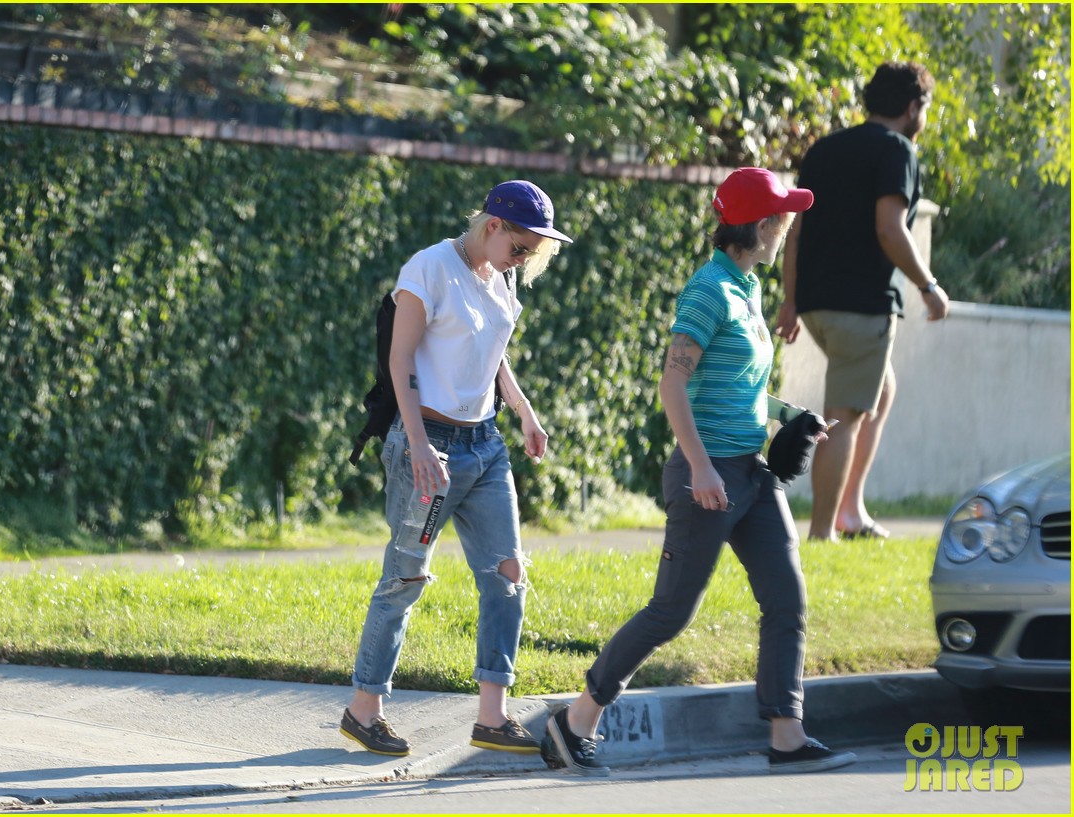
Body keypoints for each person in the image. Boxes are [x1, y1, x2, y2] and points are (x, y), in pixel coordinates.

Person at [540, 167, 856, 777]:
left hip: (752, 473)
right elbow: (673, 384)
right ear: (763, 226)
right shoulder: (708, 291)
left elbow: (737, 388)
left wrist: (792, 416)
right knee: (672, 610)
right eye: (783, 221)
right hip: (706, 474)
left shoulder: (747, 286)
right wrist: (701, 469)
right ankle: (575, 720)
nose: (787, 231)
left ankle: (786, 735)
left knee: (786, 598)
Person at [342, 180, 572, 757]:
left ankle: (491, 717)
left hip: (486, 445)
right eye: (522, 247)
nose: (525, 261)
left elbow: (495, 353)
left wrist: (524, 412)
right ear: (492, 225)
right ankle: (363, 709)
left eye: (533, 254)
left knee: (509, 573)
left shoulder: (500, 276)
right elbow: (401, 359)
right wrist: (418, 443)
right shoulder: (429, 269)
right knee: (405, 578)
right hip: (431, 442)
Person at [775, 61, 950, 542]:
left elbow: (797, 231)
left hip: (816, 306)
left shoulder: (825, 149)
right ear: (913, 107)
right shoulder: (898, 150)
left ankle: (851, 508)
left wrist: (791, 301)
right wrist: (929, 286)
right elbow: (889, 229)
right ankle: (823, 532)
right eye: (925, 109)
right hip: (862, 305)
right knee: (846, 416)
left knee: (882, 388)